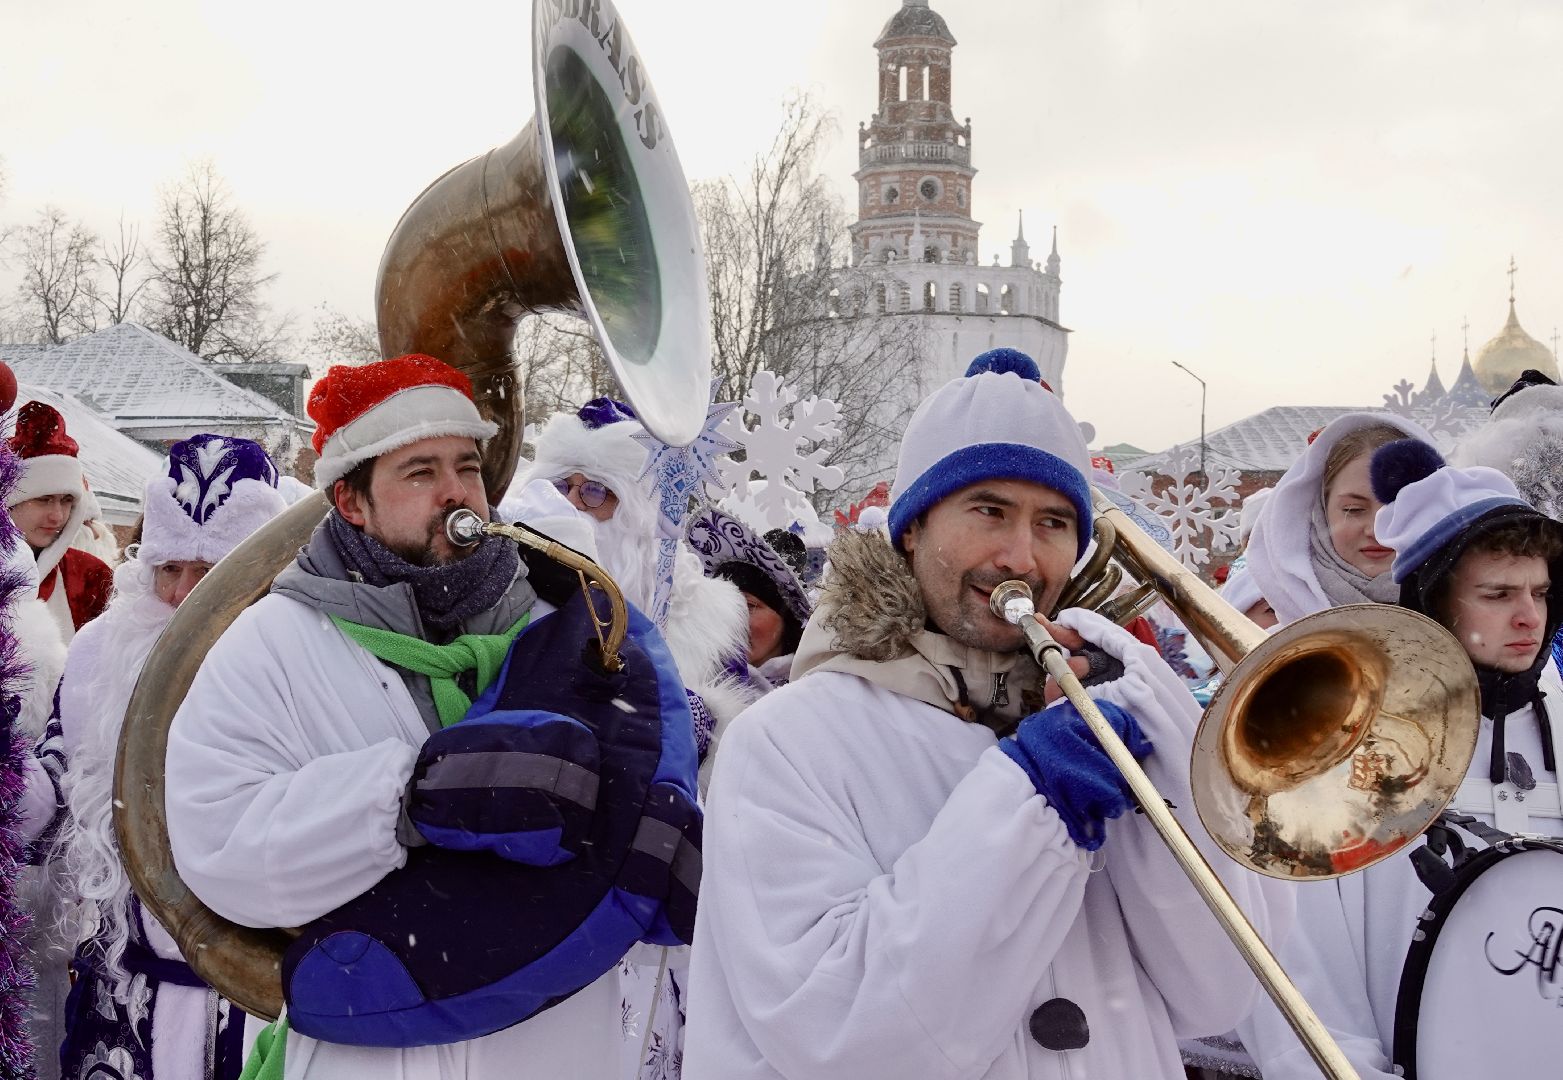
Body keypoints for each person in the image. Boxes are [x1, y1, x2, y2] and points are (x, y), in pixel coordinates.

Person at [684, 354, 1291, 1080]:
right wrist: (1033, 798)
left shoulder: (1109, 711)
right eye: (989, 511)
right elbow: (843, 1034)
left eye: (1053, 522)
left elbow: (1218, 995)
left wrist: (1157, 773)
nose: (1021, 558)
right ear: (912, 528)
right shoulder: (783, 741)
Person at [164, 355, 672, 1080]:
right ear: (351, 502)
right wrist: (407, 799)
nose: (456, 491)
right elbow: (218, 844)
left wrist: (656, 811)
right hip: (366, 1046)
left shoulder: (564, 623)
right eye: (419, 472)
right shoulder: (269, 642)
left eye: (466, 468)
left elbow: (614, 794)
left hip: (552, 1040)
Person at [1240, 438, 1563, 1078]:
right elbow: (1302, 962)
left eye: (1540, 591)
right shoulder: (1350, 742)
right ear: (1434, 602)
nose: (1529, 616)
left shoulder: (1560, 712)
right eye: (1498, 594)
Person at [53, 435, 285, 1080]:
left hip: (252, 1005)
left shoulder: (299, 659)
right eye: (170, 569)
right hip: (124, 995)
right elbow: (46, 796)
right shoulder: (101, 652)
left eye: (211, 574)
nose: (184, 596)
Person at [1246, 414, 1432, 625]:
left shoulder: (1462, 623)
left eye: (1398, 508)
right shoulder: (1274, 643)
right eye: (1353, 510)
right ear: (1321, 514)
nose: (1376, 530)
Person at [5, 402, 112, 641]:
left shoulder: (91, 577)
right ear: (9, 503)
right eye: (44, 499)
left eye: (66, 501)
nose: (58, 516)